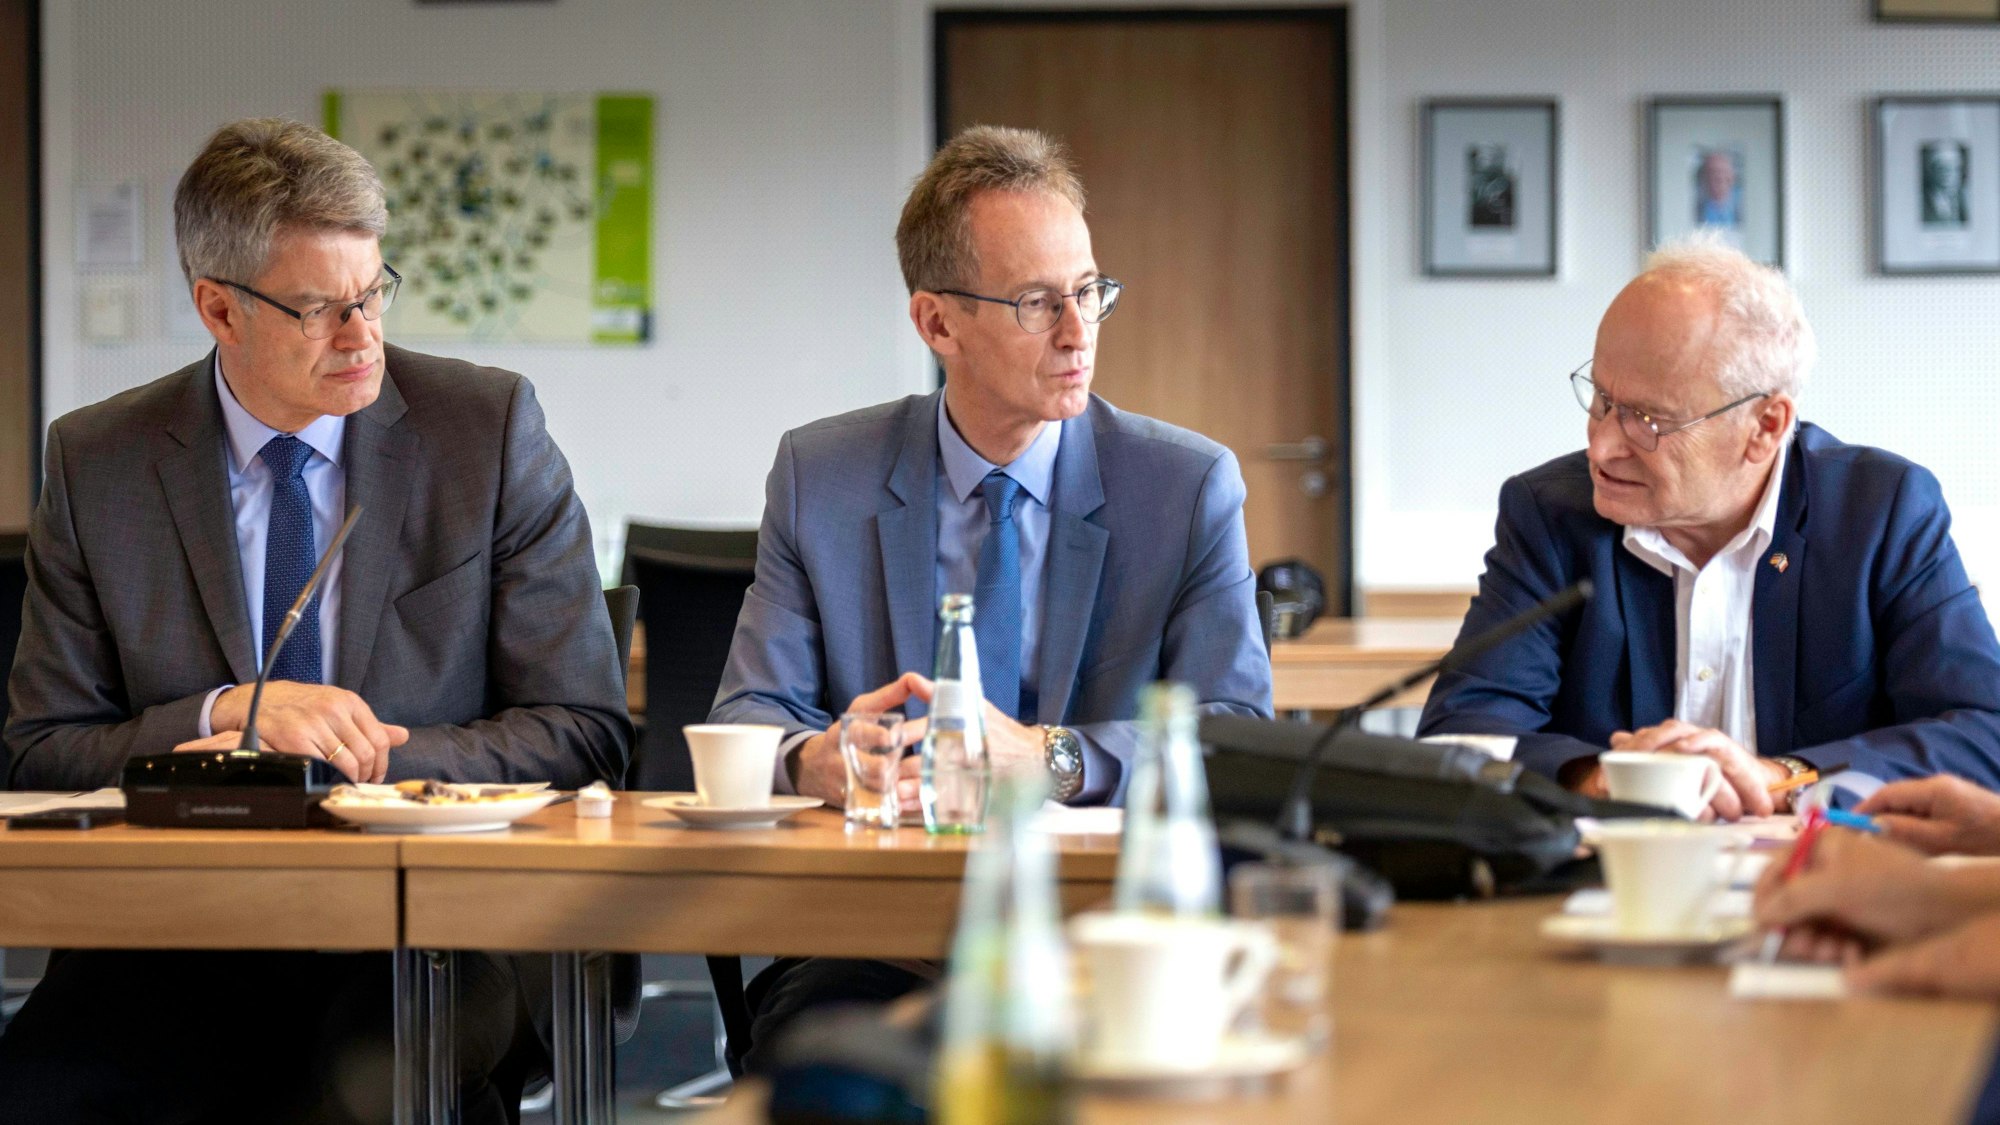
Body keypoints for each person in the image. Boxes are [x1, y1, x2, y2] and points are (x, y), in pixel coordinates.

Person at [0, 119, 630, 1124]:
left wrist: (357, 759)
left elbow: (586, 731)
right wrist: (226, 718)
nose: (361, 335)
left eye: (373, 293)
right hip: (180, 934)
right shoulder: (99, 460)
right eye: (319, 310)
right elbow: (39, 755)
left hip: (437, 932)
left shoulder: (487, 431)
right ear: (219, 308)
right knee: (39, 1088)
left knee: (361, 1086)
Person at [708, 124, 1272, 1070]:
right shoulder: (823, 476)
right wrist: (822, 758)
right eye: (1038, 302)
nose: (1077, 331)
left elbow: (1235, 729)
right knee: (830, 1067)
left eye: (1090, 292)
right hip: (876, 940)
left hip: (1107, 938)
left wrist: (1048, 758)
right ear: (937, 324)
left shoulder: (1185, 487)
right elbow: (751, 713)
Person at [1418, 233, 2000, 821]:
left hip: (1825, 880)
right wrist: (1609, 777)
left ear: (1766, 427)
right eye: (1600, 399)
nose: (1600, 445)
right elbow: (1461, 736)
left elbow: (1984, 734)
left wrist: (1782, 777)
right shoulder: (1548, 515)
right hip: (1610, 885)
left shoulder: (1880, 513)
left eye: (1648, 420)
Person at [1922, 141, 1969, 228]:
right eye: (1942, 168)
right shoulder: (1922, 200)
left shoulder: (1963, 198)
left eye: (1954, 168)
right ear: (1932, 171)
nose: (1948, 173)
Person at [1694, 149, 1741, 228]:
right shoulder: (1696, 210)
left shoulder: (1741, 206)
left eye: (1725, 172)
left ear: (1732, 177)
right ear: (1705, 179)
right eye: (1714, 172)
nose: (1720, 179)